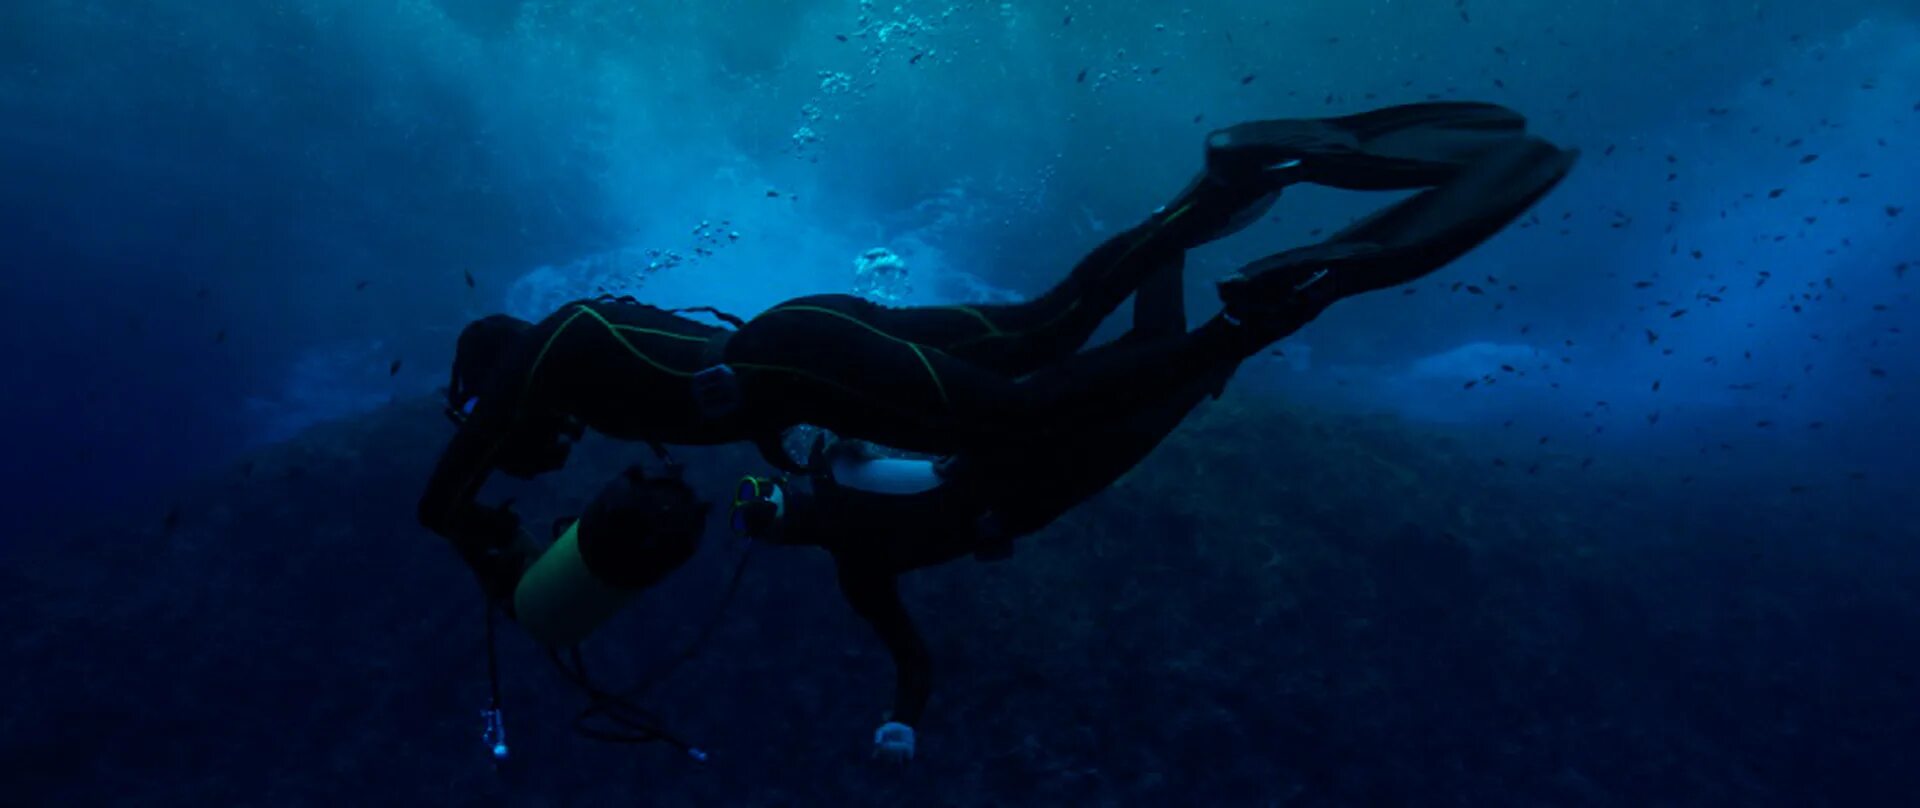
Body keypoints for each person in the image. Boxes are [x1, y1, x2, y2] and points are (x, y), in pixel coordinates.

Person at [419, 102, 1551, 612]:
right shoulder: (589, 357)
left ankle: (1251, 315)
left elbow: (448, 489)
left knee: (1015, 409)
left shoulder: (551, 343)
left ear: (493, 376)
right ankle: (1227, 177)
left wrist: (474, 537)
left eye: (503, 412)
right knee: (1052, 320)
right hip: (800, 348)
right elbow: (704, 390)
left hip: (797, 355)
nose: (545, 441)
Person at [726, 134, 1579, 762]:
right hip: (1053, 465)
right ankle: (1205, 249)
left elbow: (897, 423)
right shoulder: (857, 559)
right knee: (1168, 363)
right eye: (771, 516)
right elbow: (909, 651)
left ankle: (1214, 256)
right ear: (788, 533)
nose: (782, 503)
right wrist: (902, 716)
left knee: (1165, 355)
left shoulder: (839, 472)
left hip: (1041, 449)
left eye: (767, 496)